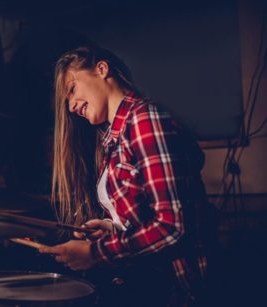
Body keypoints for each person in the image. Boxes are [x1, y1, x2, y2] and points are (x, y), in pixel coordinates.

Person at [39, 45, 211, 306]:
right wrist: (111, 228)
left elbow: (172, 226)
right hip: (145, 282)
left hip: (172, 289)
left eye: (72, 89)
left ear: (102, 69)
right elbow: (143, 218)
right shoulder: (113, 138)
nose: (72, 107)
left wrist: (96, 253)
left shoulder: (144, 119)